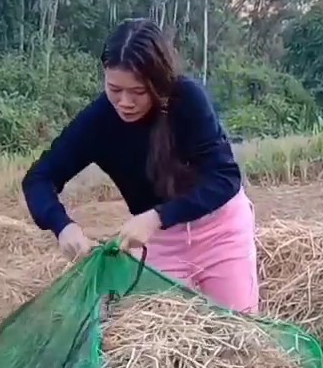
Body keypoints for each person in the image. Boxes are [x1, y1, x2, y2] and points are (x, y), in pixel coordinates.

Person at [20, 17, 259, 314]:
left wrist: (158, 216)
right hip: (160, 243)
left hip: (219, 230)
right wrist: (62, 226)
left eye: (138, 91)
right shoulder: (98, 122)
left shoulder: (187, 100)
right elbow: (39, 178)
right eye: (114, 89)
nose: (125, 102)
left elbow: (225, 178)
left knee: (237, 329)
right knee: (162, 333)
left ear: (158, 82)